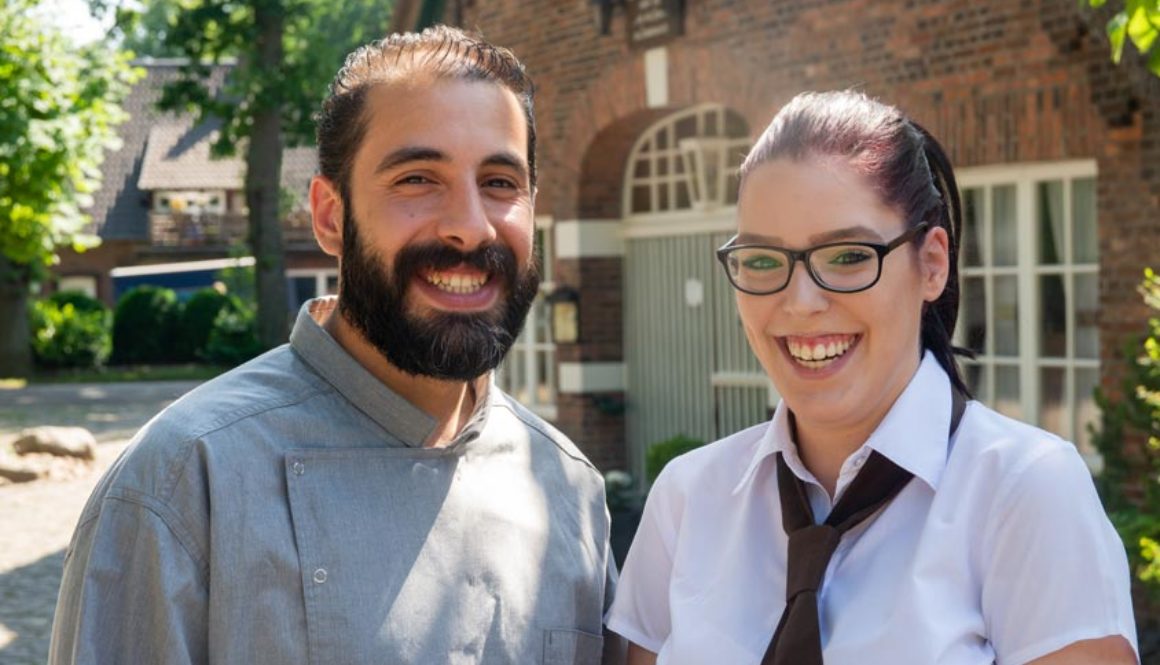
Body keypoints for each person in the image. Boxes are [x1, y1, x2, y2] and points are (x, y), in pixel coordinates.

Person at [50, 26, 617, 665]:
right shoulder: (185, 480)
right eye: (417, 179)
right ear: (329, 217)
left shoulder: (568, 486)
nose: (469, 226)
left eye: (499, 182)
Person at [605, 90, 1138, 664]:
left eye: (849, 256)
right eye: (762, 261)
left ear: (932, 263)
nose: (801, 301)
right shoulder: (687, 499)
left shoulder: (1025, 492)